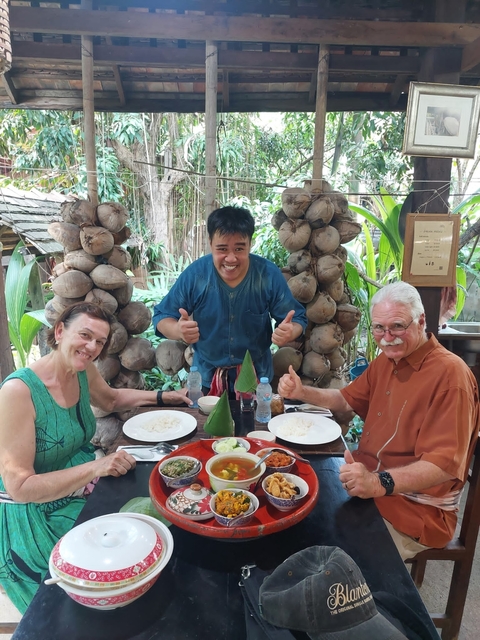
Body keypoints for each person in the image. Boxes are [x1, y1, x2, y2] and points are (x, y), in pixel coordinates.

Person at [0, 302, 190, 613]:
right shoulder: (18, 392)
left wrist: (163, 397)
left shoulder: (82, 368)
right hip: (32, 513)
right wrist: (97, 465)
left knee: (151, 521)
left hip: (81, 486)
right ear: (60, 331)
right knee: (107, 573)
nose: (92, 347)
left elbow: (112, 398)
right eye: (85, 335)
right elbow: (20, 487)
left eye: (99, 342)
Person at [278, 281, 480, 560]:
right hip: (366, 484)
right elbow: (347, 400)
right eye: (379, 328)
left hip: (413, 509)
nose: (388, 337)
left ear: (421, 321)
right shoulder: (387, 360)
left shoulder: (451, 376)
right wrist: (302, 392)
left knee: (330, 562)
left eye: (397, 326)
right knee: (295, 511)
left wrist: (377, 483)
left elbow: (443, 467)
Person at [153, 205, 307, 394]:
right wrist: (177, 330)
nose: (231, 258)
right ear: (210, 243)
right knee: (206, 424)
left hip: (257, 379)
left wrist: (290, 332)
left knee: (256, 424)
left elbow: (297, 318)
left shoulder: (267, 274)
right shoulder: (196, 275)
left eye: (239, 248)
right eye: (222, 249)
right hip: (207, 379)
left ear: (250, 244)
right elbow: (161, 316)